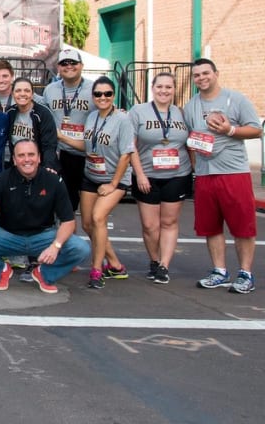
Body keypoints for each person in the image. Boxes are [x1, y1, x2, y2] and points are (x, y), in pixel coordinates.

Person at [0, 139, 91, 294]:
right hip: (8, 235)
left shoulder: (54, 180)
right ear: (14, 159)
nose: (26, 159)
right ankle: (1, 271)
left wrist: (55, 246)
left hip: (43, 235)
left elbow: (68, 221)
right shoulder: (2, 179)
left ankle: (45, 274)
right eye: (21, 155)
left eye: (31, 154)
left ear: (39, 158)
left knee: (81, 248)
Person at [183, 58, 262, 294]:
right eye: (197, 75)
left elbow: (257, 129)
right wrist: (196, 165)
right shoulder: (191, 106)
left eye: (206, 73)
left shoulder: (235, 99)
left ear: (216, 74)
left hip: (234, 172)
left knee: (242, 226)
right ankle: (219, 270)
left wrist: (230, 130)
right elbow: (191, 137)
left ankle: (245, 274)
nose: (201, 78)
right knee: (211, 227)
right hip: (206, 174)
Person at [61, 76, 131, 289]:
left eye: (107, 94)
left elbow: (126, 154)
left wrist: (113, 184)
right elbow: (86, 146)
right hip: (91, 176)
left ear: (113, 96)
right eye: (98, 94)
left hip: (113, 180)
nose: (103, 97)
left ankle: (96, 269)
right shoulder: (91, 117)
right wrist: (60, 136)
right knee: (88, 224)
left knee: (98, 218)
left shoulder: (122, 120)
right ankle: (116, 265)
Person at [129, 72, 191, 284]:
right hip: (147, 175)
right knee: (149, 225)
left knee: (169, 221)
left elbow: (189, 143)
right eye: (160, 87)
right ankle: (154, 260)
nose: (164, 91)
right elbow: (131, 147)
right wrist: (140, 174)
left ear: (174, 90)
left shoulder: (181, 113)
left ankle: (164, 265)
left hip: (177, 174)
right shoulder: (138, 112)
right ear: (152, 88)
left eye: (169, 87)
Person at [43, 47, 94, 210]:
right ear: (58, 67)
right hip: (62, 155)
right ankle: (67, 236)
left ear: (82, 65)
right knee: (65, 208)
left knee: (92, 215)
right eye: (64, 63)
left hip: (88, 154)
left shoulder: (94, 89)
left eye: (73, 62)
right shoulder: (50, 90)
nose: (69, 66)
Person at [5, 77, 59, 171]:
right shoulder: (10, 112)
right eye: (18, 90)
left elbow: (49, 144)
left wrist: (48, 166)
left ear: (32, 93)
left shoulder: (43, 113)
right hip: (17, 164)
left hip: (38, 165)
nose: (22, 94)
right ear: (12, 94)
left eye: (27, 90)